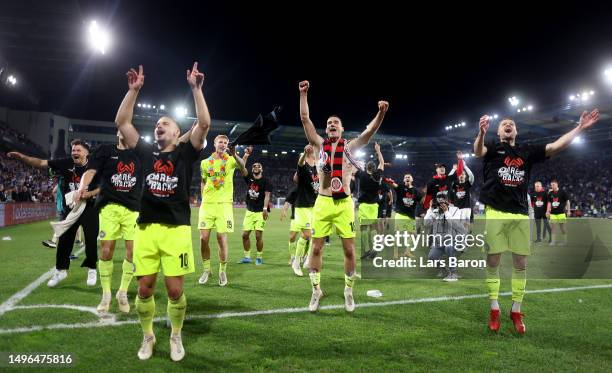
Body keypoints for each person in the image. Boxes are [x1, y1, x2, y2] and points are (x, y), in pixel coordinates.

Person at [115, 62, 209, 361]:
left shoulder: (185, 153)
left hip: (176, 229)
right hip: (146, 229)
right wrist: (132, 91)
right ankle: (148, 335)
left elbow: (204, 124)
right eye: (157, 123)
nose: (159, 125)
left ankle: (176, 335)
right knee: (144, 289)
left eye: (165, 123)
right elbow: (122, 123)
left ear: (178, 132)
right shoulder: (144, 152)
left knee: (173, 290)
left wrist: (196, 89)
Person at [474, 109, 599, 334]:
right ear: (499, 131)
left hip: (520, 213)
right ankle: (494, 308)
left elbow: (555, 146)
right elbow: (477, 151)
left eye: (511, 123)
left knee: (520, 264)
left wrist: (579, 128)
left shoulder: (526, 151)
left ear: (516, 130)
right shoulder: (492, 147)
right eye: (503, 124)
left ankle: (516, 310)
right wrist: (481, 133)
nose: (508, 125)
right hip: (495, 212)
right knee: (493, 262)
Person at [299, 79, 389, 312]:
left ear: (342, 128)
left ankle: (348, 290)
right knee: (316, 249)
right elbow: (305, 119)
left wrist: (380, 113)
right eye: (329, 123)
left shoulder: (350, 147)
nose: (331, 125)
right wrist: (303, 95)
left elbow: (368, 132)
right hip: (323, 202)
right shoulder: (319, 145)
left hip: (344, 204)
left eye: (335, 123)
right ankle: (315, 290)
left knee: (349, 250)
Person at [8, 139, 101, 287]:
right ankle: (60, 271)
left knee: (90, 239)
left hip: (89, 207)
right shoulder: (65, 162)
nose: (74, 152)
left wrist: (89, 194)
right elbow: (40, 163)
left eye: (78, 150)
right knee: (64, 241)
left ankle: (92, 269)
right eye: (73, 150)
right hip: (69, 208)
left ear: (86, 152)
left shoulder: (95, 164)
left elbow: (103, 186)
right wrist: (22, 157)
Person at [75, 130, 143, 314]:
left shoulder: (140, 152)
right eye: (121, 128)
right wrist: (83, 186)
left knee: (133, 251)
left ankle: (122, 292)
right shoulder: (105, 150)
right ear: (117, 132)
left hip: (133, 208)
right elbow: (90, 171)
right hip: (109, 207)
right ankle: (106, 294)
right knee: (106, 251)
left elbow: (169, 149)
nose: (124, 131)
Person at [198, 136, 247, 286]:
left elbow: (243, 167)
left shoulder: (231, 160)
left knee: (221, 238)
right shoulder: (205, 163)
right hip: (207, 204)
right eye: (221, 142)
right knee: (203, 239)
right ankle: (207, 269)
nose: (223, 145)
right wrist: (203, 199)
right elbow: (203, 181)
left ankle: (222, 270)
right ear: (214, 143)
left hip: (224, 205)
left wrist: (234, 153)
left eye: (226, 143)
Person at [290, 145, 319, 276]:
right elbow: (300, 163)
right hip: (302, 205)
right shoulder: (303, 167)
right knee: (307, 234)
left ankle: (307, 258)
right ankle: (296, 262)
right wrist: (303, 154)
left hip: (315, 206)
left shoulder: (318, 167)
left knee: (314, 234)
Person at [239, 156, 272, 265]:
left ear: (261, 169)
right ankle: (247, 257)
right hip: (249, 211)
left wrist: (264, 209)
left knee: (258, 236)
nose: (256, 167)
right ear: (252, 169)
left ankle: (259, 257)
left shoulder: (266, 181)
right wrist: (246, 156)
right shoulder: (248, 178)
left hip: (260, 212)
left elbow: (267, 196)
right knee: (244, 235)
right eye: (254, 166)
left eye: (258, 166)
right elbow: (241, 166)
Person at [424, 192, 465, 281]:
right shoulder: (435, 211)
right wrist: (430, 209)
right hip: (439, 241)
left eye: (442, 202)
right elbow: (426, 223)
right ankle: (446, 271)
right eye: (439, 202)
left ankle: (453, 273)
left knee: (449, 247)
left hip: (453, 239)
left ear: (447, 202)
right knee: (432, 257)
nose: (441, 205)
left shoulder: (455, 210)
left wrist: (446, 212)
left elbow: (455, 225)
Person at [356, 143, 384, 259]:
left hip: (363, 205)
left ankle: (367, 250)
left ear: (366, 167)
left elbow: (354, 167)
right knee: (373, 227)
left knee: (363, 227)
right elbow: (382, 163)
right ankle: (374, 248)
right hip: (374, 205)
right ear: (374, 168)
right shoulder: (377, 175)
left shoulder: (361, 174)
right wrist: (378, 150)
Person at [385, 173, 421, 257]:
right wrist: (389, 181)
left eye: (409, 177)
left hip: (411, 216)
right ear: (404, 180)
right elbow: (393, 184)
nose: (407, 178)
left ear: (412, 179)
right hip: (401, 214)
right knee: (398, 234)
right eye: (405, 177)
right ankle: (395, 253)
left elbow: (420, 201)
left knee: (413, 235)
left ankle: (407, 252)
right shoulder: (400, 187)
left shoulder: (416, 191)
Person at [546, 180, 570, 245]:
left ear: (557, 184)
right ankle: (553, 242)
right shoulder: (550, 193)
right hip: (553, 213)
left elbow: (567, 201)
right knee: (553, 227)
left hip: (561, 213)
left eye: (553, 185)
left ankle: (565, 241)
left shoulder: (562, 192)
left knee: (562, 228)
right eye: (551, 185)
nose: (552, 186)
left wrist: (568, 211)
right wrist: (547, 211)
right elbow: (549, 203)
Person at [281, 186, 299, 265]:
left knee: (307, 237)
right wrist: (284, 210)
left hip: (308, 216)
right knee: (292, 237)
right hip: (295, 217)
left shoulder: (310, 188)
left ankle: (306, 256)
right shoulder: (295, 189)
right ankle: (293, 257)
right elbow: (288, 201)